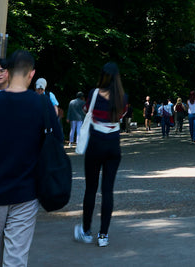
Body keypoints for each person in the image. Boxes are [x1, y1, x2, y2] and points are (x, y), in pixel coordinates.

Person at [0, 50, 62, 267]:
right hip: (26, 192)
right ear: (32, 74)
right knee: (16, 258)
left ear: (8, 72)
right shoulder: (42, 104)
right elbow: (56, 144)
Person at [74, 62, 129, 249]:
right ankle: (103, 235)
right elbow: (122, 116)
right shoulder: (123, 97)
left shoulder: (93, 94)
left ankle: (86, 231)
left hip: (96, 144)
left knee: (91, 188)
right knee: (108, 190)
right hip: (114, 146)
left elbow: (86, 111)